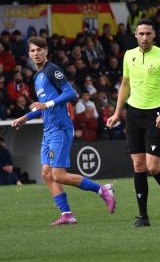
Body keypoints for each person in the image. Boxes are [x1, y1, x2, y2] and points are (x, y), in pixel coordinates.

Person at [11, 37, 116, 225]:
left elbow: (70, 93)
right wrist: (25, 118)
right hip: (48, 130)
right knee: (46, 174)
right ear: (28, 54)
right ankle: (66, 214)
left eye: (39, 50)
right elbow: (42, 106)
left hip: (60, 128)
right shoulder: (37, 77)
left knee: (58, 175)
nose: (36, 54)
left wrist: (47, 103)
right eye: (32, 51)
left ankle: (103, 190)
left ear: (46, 52)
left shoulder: (53, 70)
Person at [106, 19, 160, 228]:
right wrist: (116, 112)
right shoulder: (128, 55)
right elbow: (125, 84)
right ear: (135, 35)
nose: (145, 38)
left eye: (148, 34)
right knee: (138, 165)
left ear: (154, 35)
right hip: (133, 114)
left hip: (156, 115)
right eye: (141, 34)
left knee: (152, 166)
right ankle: (143, 217)